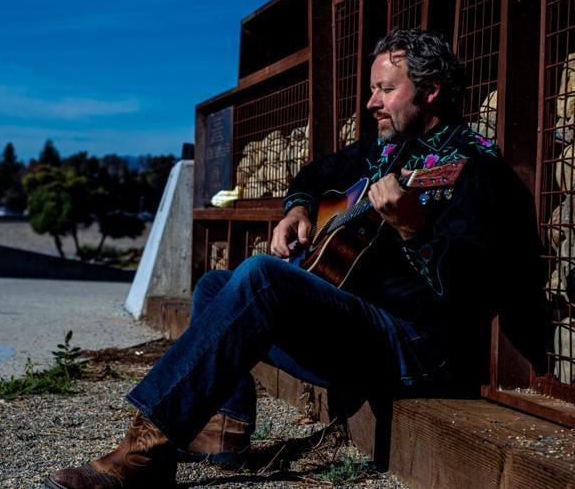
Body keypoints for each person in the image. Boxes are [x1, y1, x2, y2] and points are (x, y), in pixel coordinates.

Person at [45, 29, 546, 489]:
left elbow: (472, 292)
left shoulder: (476, 170)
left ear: (431, 90)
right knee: (214, 287)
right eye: (372, 89)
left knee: (263, 276)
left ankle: (145, 451)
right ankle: (225, 430)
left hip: (414, 349)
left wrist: (417, 228)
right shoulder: (385, 152)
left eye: (385, 90)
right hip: (357, 330)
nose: (371, 102)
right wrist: (298, 208)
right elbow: (317, 171)